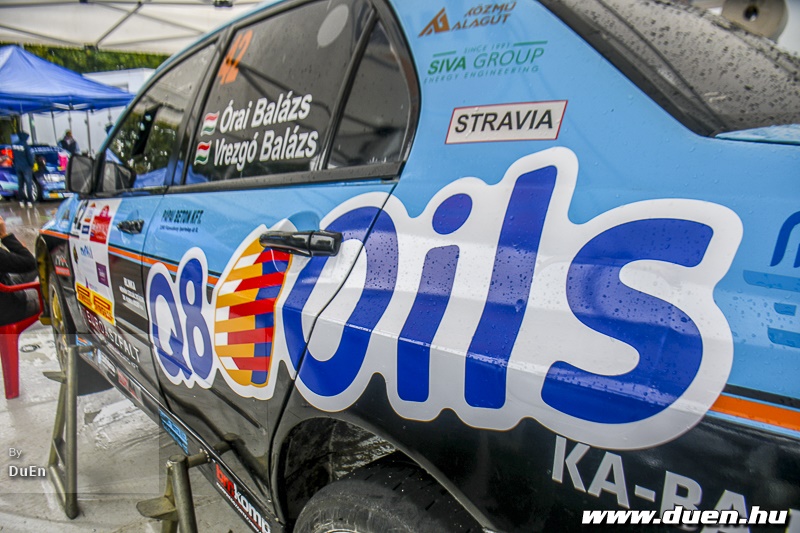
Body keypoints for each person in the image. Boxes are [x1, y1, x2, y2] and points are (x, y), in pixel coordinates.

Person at [0, 215, 39, 326]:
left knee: (40, 264)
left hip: (5, 288)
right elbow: (30, 263)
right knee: (51, 294)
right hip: (9, 308)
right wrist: (4, 236)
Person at [12, 131, 35, 208]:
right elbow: (29, 157)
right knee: (28, 184)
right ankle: (29, 201)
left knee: (20, 185)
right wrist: (31, 165)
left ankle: (21, 200)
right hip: (26, 167)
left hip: (18, 167)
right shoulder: (25, 145)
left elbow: (13, 157)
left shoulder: (14, 145)